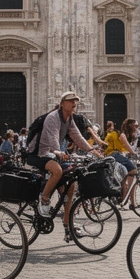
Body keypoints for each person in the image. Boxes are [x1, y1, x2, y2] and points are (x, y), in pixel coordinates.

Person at [25, 92, 95, 231]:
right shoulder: (53, 117)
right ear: (62, 103)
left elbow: (77, 136)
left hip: (52, 155)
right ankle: (44, 201)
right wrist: (58, 151)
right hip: (38, 153)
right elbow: (53, 137)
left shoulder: (69, 119)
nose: (74, 104)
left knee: (71, 185)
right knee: (57, 170)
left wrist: (91, 150)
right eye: (71, 101)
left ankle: (68, 223)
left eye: (75, 101)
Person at [104, 118, 140, 206]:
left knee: (126, 178)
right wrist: (133, 152)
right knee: (133, 171)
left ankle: (129, 201)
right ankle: (129, 200)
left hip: (115, 155)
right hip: (114, 155)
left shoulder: (126, 134)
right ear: (130, 126)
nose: (136, 128)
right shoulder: (121, 134)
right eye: (135, 126)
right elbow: (125, 144)